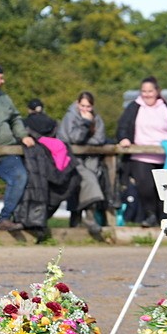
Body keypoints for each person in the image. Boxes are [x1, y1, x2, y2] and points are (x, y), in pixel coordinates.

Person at [115, 76, 167, 227]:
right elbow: (122, 127)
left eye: (150, 91)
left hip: (165, 156)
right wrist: (124, 138)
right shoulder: (134, 107)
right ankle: (150, 215)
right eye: (144, 91)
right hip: (141, 155)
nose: (147, 94)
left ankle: (164, 219)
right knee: (146, 187)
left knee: (165, 191)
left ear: (157, 91)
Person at [0, 63, 35, 232]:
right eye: (0, 77)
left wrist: (23, 135)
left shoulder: (4, 98)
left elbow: (15, 118)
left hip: (5, 151)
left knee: (20, 176)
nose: (3, 81)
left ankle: (5, 219)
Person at [57, 91, 109, 236]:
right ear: (77, 103)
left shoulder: (96, 118)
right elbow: (75, 138)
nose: (85, 109)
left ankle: (86, 219)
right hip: (71, 159)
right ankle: (87, 220)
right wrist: (85, 124)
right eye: (82, 106)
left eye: (88, 106)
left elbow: (100, 139)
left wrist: (85, 141)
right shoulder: (70, 117)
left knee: (93, 177)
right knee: (88, 181)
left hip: (90, 159)